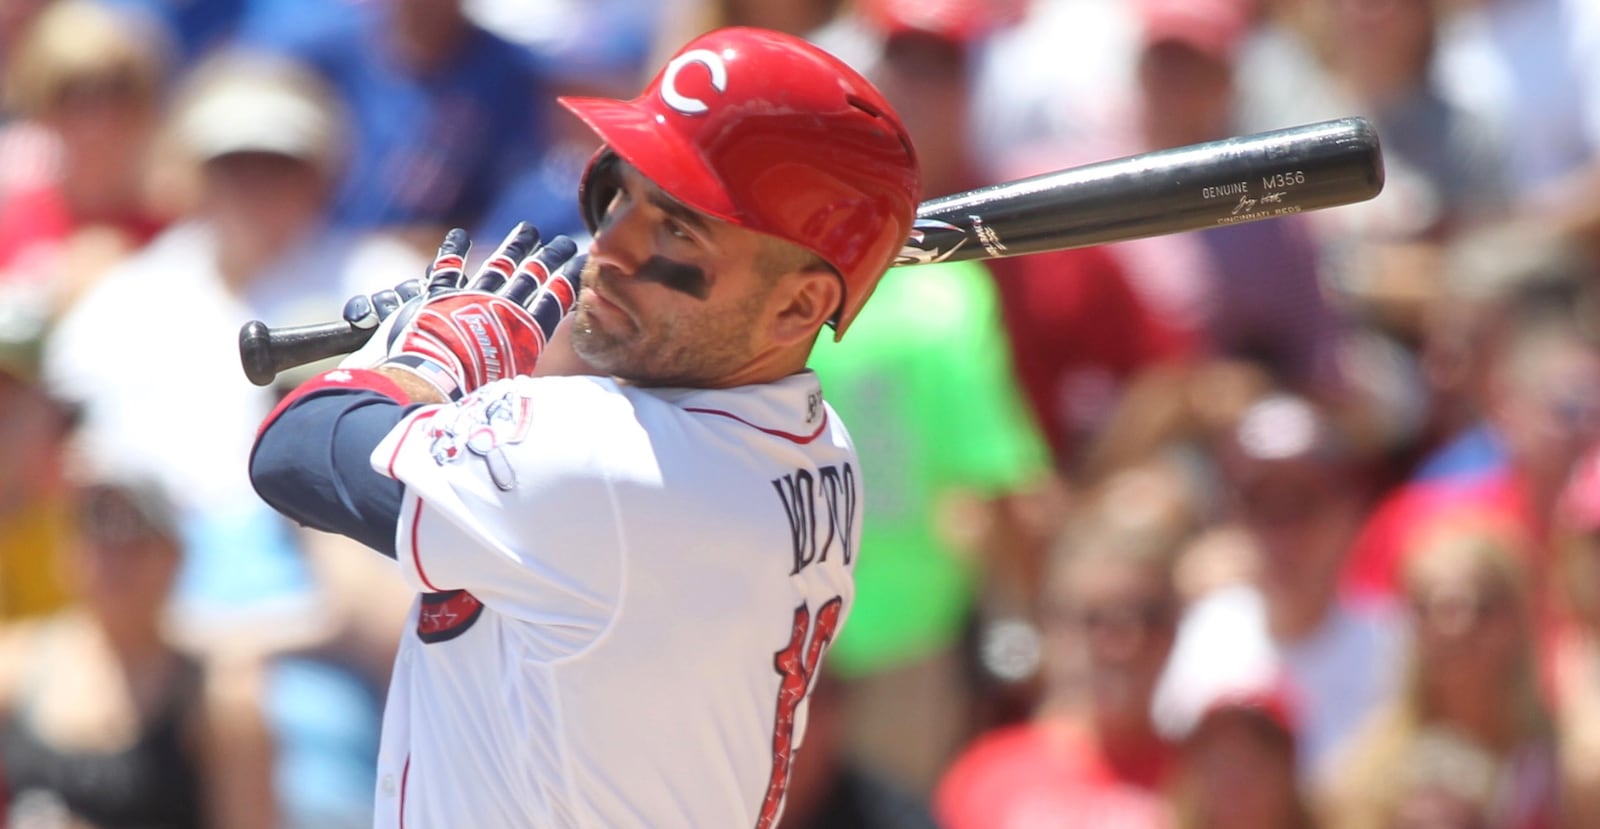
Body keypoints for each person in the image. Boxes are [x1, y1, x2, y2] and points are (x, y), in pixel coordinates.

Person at [249, 26, 920, 827]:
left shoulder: (603, 465)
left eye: (678, 228)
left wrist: (427, 361)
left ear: (801, 304)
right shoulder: (813, 439)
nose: (609, 245)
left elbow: (298, 449)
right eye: (620, 190)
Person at [0, 465, 276, 829]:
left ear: (175, 557)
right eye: (97, 531)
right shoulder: (14, 667)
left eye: (134, 536)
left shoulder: (217, 697)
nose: (114, 559)